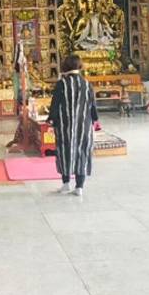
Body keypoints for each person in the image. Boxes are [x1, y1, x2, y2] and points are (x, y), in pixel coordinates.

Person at [48, 55, 100, 197]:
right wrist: (95, 119)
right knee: (82, 151)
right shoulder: (87, 84)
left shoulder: (62, 84)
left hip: (65, 125)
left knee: (65, 151)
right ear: (80, 66)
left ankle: (65, 184)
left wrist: (51, 120)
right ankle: (79, 187)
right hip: (84, 125)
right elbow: (92, 104)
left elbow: (55, 104)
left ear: (65, 66)